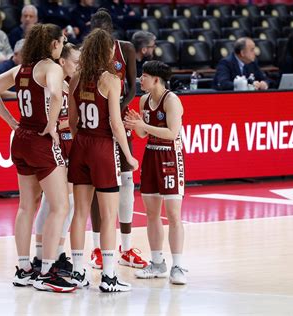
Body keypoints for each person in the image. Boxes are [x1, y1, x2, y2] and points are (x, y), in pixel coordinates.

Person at [0, 23, 76, 293]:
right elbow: (57, 94)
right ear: (54, 44)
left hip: (21, 138)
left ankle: (24, 269)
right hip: (40, 140)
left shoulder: (20, 69)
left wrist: (12, 121)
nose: (63, 45)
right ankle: (47, 272)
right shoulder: (52, 68)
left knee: (26, 206)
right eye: (62, 41)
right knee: (60, 206)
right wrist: (52, 125)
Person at [68, 28, 139, 292]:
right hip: (102, 146)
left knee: (80, 213)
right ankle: (108, 277)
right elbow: (116, 124)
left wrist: (81, 140)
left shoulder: (76, 77)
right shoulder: (111, 79)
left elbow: (73, 121)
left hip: (81, 144)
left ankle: (78, 272)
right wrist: (129, 156)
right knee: (109, 216)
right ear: (108, 51)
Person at [88, 9, 147, 271]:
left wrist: (119, 108)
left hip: (119, 120)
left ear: (110, 32)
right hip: (96, 127)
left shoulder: (126, 49)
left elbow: (133, 86)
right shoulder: (86, 53)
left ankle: (125, 246)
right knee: (95, 187)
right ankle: (97, 248)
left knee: (126, 182)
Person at [124, 60, 188, 285]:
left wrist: (144, 125)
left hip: (170, 156)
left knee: (173, 214)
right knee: (151, 213)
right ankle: (157, 262)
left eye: (144, 76)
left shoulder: (172, 100)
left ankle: (178, 265)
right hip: (151, 155)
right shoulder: (143, 100)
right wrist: (135, 126)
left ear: (156, 80)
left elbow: (172, 133)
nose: (141, 79)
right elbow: (143, 136)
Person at [32, 43, 81, 277]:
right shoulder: (54, 83)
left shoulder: (67, 84)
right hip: (55, 145)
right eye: (76, 62)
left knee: (55, 204)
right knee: (60, 204)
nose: (79, 66)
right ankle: (52, 254)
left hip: (66, 144)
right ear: (63, 62)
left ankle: (46, 253)